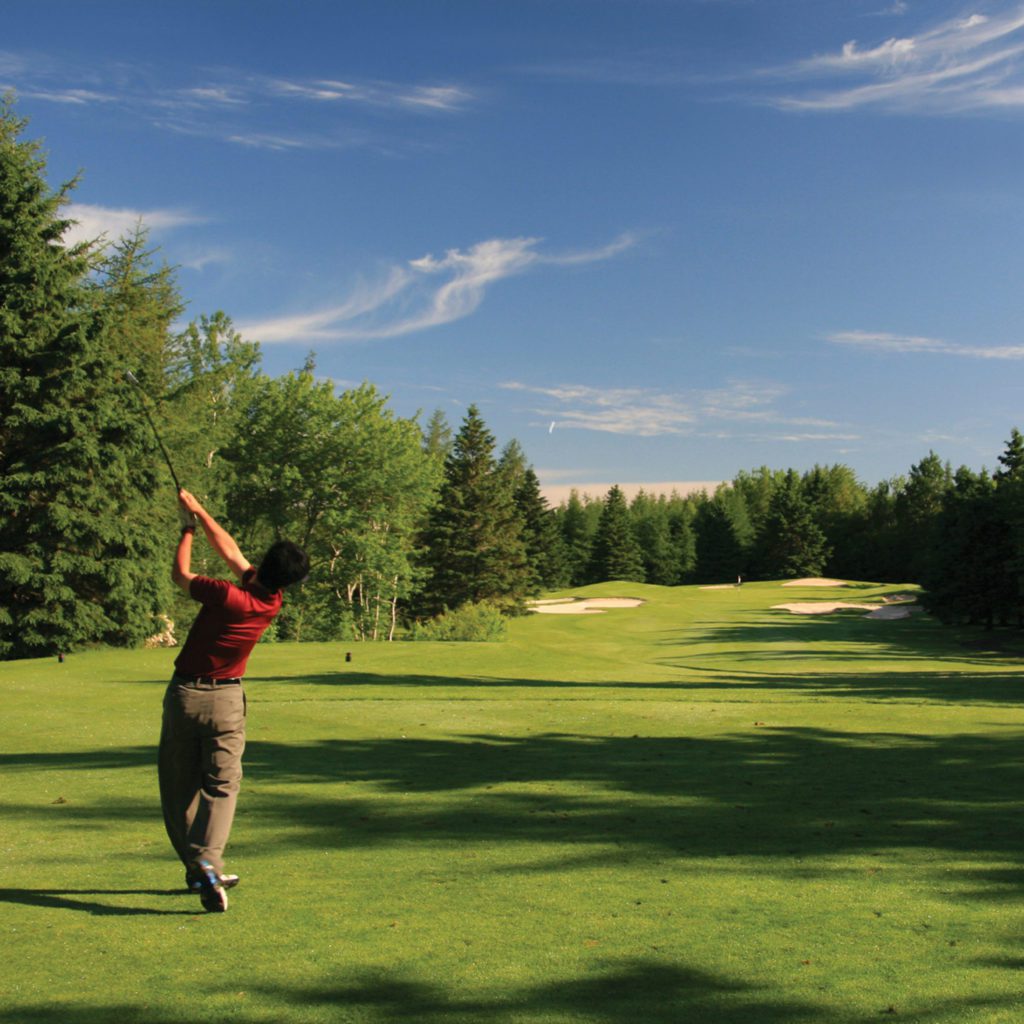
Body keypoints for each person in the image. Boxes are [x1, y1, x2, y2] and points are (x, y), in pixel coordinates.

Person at [159, 488, 309, 912]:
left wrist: (187, 528)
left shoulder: (227, 595)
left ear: (262, 566)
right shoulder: (269, 600)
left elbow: (180, 575)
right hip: (227, 701)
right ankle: (207, 863)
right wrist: (200, 512)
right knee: (222, 786)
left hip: (186, 695)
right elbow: (232, 552)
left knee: (179, 788)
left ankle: (199, 865)